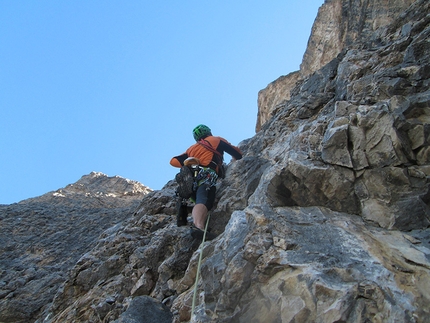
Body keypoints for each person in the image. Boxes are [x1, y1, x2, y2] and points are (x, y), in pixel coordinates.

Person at [170, 124, 242, 240]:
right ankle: (198, 226)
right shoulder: (216, 140)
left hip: (193, 176)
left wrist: (192, 161)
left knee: (199, 199)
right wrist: (235, 159)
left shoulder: (191, 149)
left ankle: (185, 207)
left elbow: (173, 161)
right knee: (205, 200)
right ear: (209, 132)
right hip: (207, 174)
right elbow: (237, 153)